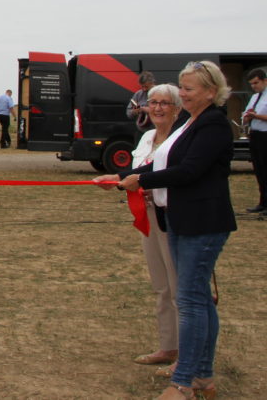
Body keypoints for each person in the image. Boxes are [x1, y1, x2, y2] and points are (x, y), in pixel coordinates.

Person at [95, 61, 237, 399]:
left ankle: (184, 382)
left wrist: (139, 180)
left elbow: (188, 171)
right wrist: (121, 177)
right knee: (197, 300)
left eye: (188, 89)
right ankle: (201, 376)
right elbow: (161, 163)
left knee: (189, 301)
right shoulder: (190, 123)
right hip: (179, 219)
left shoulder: (213, 125)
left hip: (202, 223)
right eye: (182, 87)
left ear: (210, 92)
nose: (182, 94)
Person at [121, 84, 183, 372]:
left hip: (173, 217)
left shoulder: (181, 139)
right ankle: (168, 346)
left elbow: (175, 175)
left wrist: (142, 183)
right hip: (147, 215)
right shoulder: (147, 137)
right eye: (153, 102)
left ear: (177, 108)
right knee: (161, 285)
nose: (157, 108)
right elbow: (136, 173)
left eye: (164, 103)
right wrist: (117, 180)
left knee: (179, 287)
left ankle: (186, 355)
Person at [242, 68, 267, 214]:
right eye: (251, 84)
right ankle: (263, 202)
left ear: (265, 81)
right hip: (255, 135)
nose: (253, 86)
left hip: (265, 135)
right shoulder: (254, 97)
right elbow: (246, 114)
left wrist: (256, 116)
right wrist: (246, 117)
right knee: (259, 169)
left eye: (256, 83)